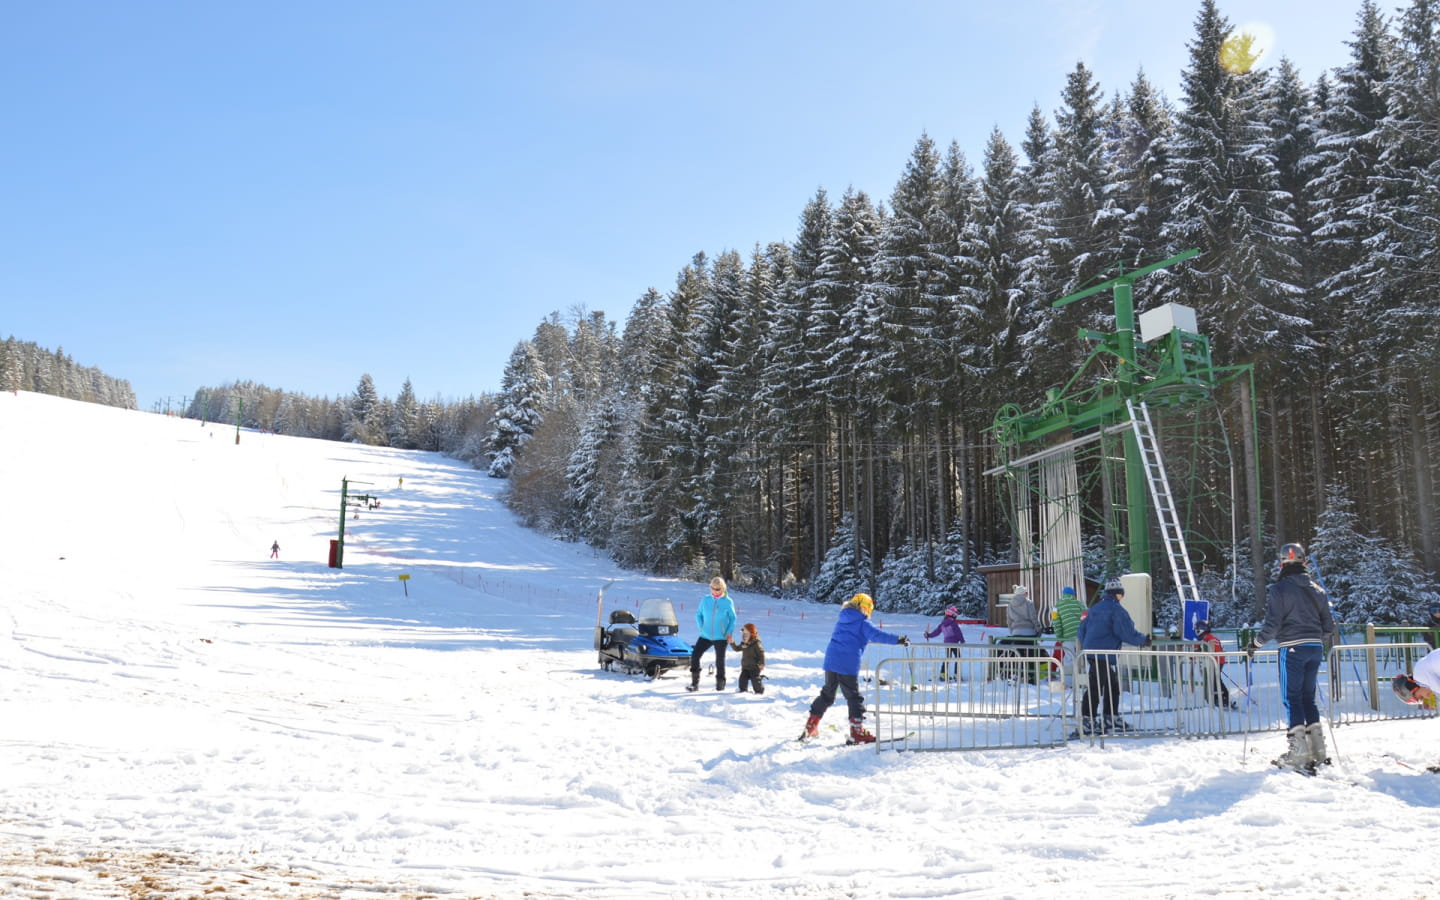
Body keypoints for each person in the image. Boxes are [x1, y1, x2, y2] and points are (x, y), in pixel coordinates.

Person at [1247, 542, 1336, 773]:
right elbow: (1329, 626)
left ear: (1281, 564)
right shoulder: (1317, 590)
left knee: (1292, 698)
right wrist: (1314, 637)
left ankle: (1298, 752)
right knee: (1308, 698)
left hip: (1292, 647)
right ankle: (1318, 749)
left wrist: (1256, 643)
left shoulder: (1279, 589)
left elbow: (1273, 625)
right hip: (1315, 647)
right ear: (1304, 562)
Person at [802, 593, 909, 744]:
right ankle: (857, 732)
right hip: (847, 663)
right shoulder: (862, 622)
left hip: (831, 661)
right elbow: (877, 635)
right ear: (866, 608)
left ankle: (811, 725)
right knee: (853, 697)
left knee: (827, 694)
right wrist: (898, 640)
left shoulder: (842, 619)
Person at [1076, 578, 1151, 735]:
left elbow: (1081, 630)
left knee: (1112, 685)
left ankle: (1110, 716)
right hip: (1104, 653)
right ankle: (1088, 720)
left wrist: (1088, 646)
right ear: (1118, 594)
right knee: (1096, 687)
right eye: (1121, 594)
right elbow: (1125, 631)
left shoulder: (1094, 609)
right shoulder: (1116, 610)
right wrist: (1143, 640)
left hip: (1093, 652)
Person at [687, 576, 737, 692]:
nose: (715, 591)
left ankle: (720, 685)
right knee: (695, 656)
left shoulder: (728, 602)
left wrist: (728, 632)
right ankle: (694, 683)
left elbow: (733, 618)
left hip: (721, 637)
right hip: (705, 635)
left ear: (723, 589)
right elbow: (698, 614)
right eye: (712, 588)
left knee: (719, 661)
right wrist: (702, 628)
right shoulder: (705, 600)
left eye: (717, 589)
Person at [1193, 619, 1233, 709]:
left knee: (1214, 679)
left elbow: (1212, 648)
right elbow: (1198, 649)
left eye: (1198, 629)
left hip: (1216, 661)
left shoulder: (1209, 638)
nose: (1196, 631)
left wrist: (1199, 651)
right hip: (1211, 661)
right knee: (1213, 679)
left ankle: (1223, 697)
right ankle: (1217, 697)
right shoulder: (1201, 638)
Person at [924, 605, 966, 681]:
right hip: (954, 643)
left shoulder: (942, 624)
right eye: (955, 614)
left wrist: (929, 635)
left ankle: (943, 673)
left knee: (947, 658)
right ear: (952, 614)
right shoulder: (953, 623)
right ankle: (957, 674)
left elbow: (936, 632)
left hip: (947, 643)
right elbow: (958, 633)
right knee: (958, 658)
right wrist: (962, 640)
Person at [1051, 585, 1085, 677]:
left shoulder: (1056, 607)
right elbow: (1086, 617)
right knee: (1081, 659)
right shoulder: (1079, 604)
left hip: (1067, 637)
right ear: (1073, 595)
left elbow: (1056, 623)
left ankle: (1069, 682)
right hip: (1080, 636)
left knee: (1069, 659)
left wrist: (1060, 638)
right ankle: (1081, 681)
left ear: (1063, 595)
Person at [728, 623, 766, 694]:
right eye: (743, 634)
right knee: (742, 679)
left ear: (752, 634)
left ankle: (759, 691)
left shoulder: (756, 644)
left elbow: (761, 654)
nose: (744, 636)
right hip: (745, 667)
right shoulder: (744, 643)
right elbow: (737, 648)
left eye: (746, 634)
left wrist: (761, 663)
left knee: (755, 680)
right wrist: (732, 643)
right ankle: (743, 691)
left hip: (754, 667)